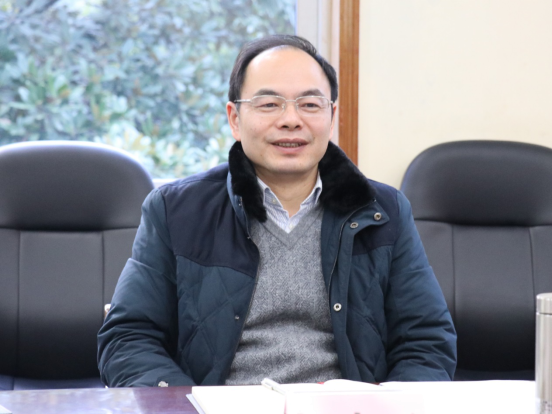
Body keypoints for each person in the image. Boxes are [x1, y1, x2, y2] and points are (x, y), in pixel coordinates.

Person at [97, 35, 456, 387]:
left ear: (332, 117)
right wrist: (186, 406)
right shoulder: (176, 211)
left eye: (310, 105)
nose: (291, 120)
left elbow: (425, 341)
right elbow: (129, 338)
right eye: (269, 104)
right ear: (234, 118)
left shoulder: (383, 211)